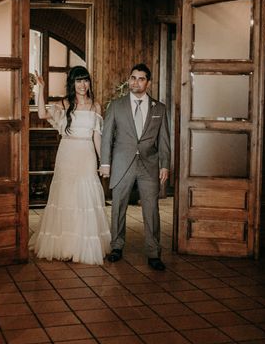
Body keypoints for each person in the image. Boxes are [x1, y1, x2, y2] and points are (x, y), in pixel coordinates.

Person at [29, 66, 111, 265]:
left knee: (86, 197)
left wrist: (104, 162)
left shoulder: (96, 107)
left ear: (89, 83)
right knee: (66, 197)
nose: (82, 85)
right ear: (72, 84)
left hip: (86, 154)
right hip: (67, 153)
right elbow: (41, 114)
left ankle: (82, 245)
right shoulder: (64, 105)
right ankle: (65, 245)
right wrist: (40, 89)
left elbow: (97, 137)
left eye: (85, 80)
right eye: (78, 81)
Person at [99, 63, 170, 271]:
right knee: (118, 206)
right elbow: (106, 137)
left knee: (151, 210)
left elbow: (164, 140)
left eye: (140, 79)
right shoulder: (116, 105)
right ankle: (117, 247)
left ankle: (153, 252)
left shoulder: (160, 108)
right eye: (132, 78)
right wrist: (105, 163)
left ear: (148, 82)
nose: (135, 82)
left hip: (149, 164)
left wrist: (165, 165)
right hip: (122, 163)